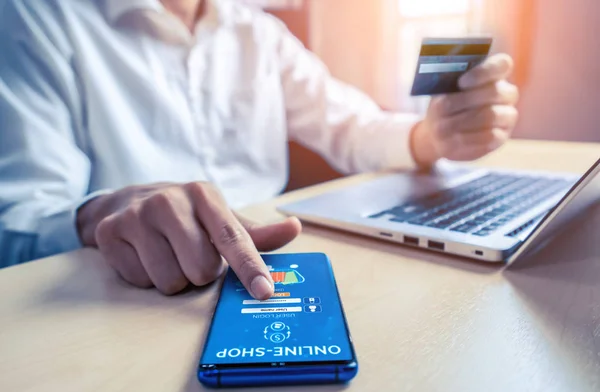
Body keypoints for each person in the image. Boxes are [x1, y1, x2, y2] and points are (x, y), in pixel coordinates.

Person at [0, 0, 519, 298]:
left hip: (276, 258)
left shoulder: (258, 32)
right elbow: (17, 221)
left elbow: (350, 125)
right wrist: (97, 215)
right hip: (130, 292)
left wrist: (429, 138)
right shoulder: (32, 18)